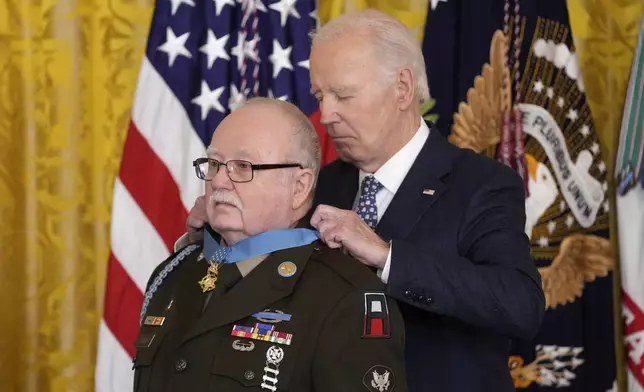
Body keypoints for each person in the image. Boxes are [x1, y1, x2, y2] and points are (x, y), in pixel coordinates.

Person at [176, 10, 545, 392]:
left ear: (402, 88)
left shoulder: (482, 184)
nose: (327, 115)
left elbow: (520, 305)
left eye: (343, 95)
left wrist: (387, 257)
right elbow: (264, 285)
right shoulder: (314, 188)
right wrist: (222, 232)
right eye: (321, 95)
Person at [133, 98, 407, 392]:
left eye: (242, 166)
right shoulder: (173, 274)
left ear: (299, 187)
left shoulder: (346, 297)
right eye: (214, 164)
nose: (220, 181)